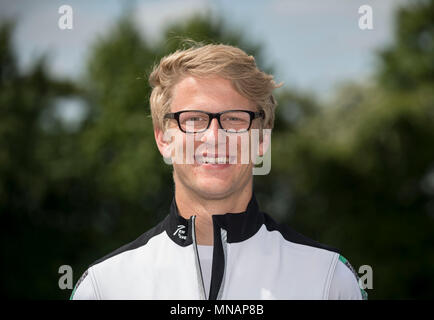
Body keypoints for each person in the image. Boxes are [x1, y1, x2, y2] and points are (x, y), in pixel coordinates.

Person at [70, 43, 367, 300]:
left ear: (262, 138)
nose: (215, 136)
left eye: (235, 119)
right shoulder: (105, 287)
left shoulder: (327, 280)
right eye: (194, 119)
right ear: (163, 138)